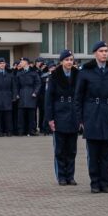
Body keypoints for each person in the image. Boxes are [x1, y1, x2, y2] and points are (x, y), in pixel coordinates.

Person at [76, 41, 108, 193]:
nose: (104, 53)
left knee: (106, 153)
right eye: (101, 51)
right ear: (95, 53)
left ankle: (104, 182)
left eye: (106, 51)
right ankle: (95, 182)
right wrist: (80, 119)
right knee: (94, 153)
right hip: (92, 114)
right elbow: (78, 97)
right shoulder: (86, 71)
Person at [45, 50, 79, 186]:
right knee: (60, 149)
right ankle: (61, 176)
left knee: (71, 149)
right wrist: (50, 118)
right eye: (67, 60)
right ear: (61, 62)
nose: (69, 62)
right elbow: (49, 99)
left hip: (73, 114)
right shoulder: (54, 76)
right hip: (59, 114)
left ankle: (70, 176)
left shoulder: (78, 75)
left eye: (71, 59)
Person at [16, 58, 41, 136]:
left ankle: (32, 130)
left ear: (26, 62)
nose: (20, 63)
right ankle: (21, 131)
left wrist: (35, 92)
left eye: (22, 62)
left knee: (31, 115)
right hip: (22, 94)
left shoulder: (33, 72)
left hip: (31, 94)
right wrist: (16, 93)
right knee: (21, 114)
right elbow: (16, 85)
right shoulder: (19, 73)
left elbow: (38, 83)